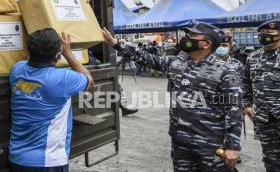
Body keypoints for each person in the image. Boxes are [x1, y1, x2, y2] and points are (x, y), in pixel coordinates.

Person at [104, 23, 242, 171]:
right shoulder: (177, 63)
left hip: (210, 144)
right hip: (180, 142)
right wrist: (116, 44)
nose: (187, 38)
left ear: (206, 44)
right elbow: (147, 58)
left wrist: (232, 146)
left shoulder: (225, 71)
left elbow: (233, 109)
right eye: (188, 35)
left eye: (193, 36)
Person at [9, 29, 95, 171]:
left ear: (29, 52)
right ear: (58, 55)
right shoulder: (61, 79)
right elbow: (90, 81)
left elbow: (28, 62)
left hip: (17, 158)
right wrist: (68, 52)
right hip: (48, 161)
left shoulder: (17, 70)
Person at [243, 19, 280, 172]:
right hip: (264, 118)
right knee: (271, 158)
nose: (265, 36)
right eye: (262, 33)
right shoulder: (252, 57)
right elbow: (246, 83)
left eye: (270, 33)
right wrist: (247, 105)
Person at [102, 28, 139, 116]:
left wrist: (122, 59)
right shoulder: (110, 49)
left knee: (119, 92)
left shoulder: (112, 49)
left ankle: (123, 108)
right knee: (118, 92)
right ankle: (123, 108)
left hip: (113, 73)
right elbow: (114, 64)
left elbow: (115, 64)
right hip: (110, 73)